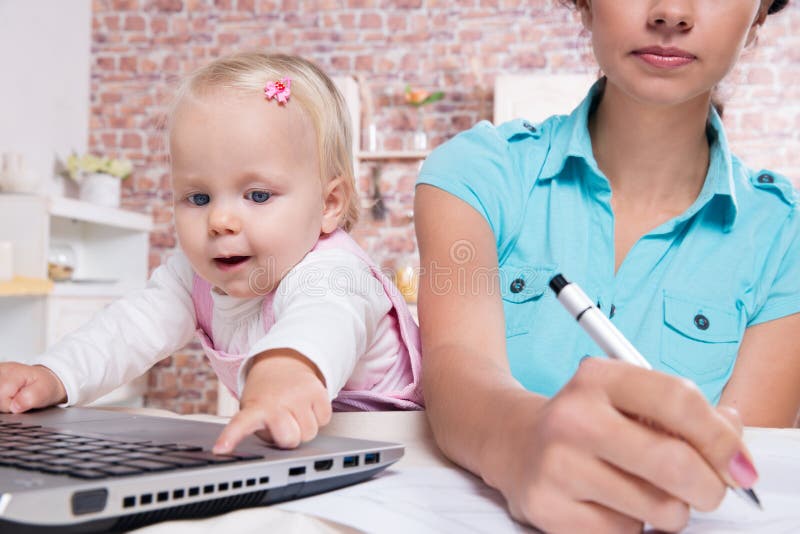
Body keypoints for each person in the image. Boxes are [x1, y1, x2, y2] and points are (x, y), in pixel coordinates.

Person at [415, 0, 798, 531]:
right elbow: (454, 367)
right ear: (585, 4)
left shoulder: (786, 237)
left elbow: (736, 474)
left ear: (758, 19)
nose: (671, 12)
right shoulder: (477, 173)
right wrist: (522, 441)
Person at [0, 52, 423, 454]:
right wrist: (52, 375)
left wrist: (281, 373)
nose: (220, 220)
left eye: (257, 195)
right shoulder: (193, 276)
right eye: (198, 198)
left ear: (329, 204)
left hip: (396, 447)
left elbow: (323, 322)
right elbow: (124, 331)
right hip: (307, 448)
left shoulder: (335, 271)